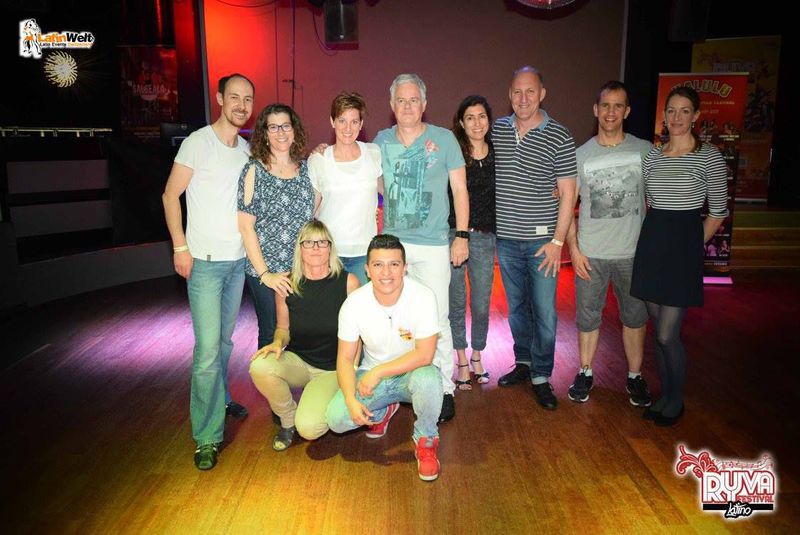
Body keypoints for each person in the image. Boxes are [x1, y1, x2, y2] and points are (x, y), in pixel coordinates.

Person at [161, 73, 254, 470]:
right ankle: (206, 436)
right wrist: (180, 247)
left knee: (225, 343)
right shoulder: (197, 143)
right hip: (204, 264)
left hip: (236, 263)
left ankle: (222, 397)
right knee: (207, 352)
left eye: (247, 99)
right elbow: (170, 195)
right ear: (219, 98)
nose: (241, 105)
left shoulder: (246, 150)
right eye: (234, 97)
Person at [373, 73, 469, 423]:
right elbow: (370, 176)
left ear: (424, 104)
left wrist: (462, 235)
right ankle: (399, 386)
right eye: (401, 100)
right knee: (395, 319)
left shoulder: (444, 139)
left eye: (414, 100)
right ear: (392, 105)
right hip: (393, 246)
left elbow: (460, 190)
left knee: (437, 317)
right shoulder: (381, 141)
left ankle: (443, 388)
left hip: (433, 245)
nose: (407, 106)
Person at [631, 86, 728, 426]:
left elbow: (717, 212)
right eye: (671, 110)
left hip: (682, 250)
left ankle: (676, 400)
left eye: (684, 111)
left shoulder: (709, 157)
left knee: (666, 334)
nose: (676, 117)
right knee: (658, 331)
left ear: (696, 116)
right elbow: (649, 203)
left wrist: (690, 246)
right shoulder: (652, 157)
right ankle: (664, 395)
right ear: (664, 115)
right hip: (652, 244)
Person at [326, 235, 444, 481]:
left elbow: (425, 354)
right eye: (378, 265)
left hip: (410, 374)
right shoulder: (354, 303)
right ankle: (382, 411)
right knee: (337, 419)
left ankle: (426, 439)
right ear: (367, 269)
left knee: (429, 379)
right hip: (371, 380)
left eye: (394, 264)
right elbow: (345, 358)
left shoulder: (423, 296)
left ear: (405, 268)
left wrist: (379, 371)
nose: (386, 272)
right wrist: (350, 399)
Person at [493, 66, 577, 410]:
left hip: (543, 243)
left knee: (544, 312)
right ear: (509, 94)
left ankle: (542, 374)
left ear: (542, 94)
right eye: (517, 91)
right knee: (516, 309)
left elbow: (569, 194)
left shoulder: (559, 135)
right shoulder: (497, 130)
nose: (523, 98)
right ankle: (524, 362)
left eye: (530, 91)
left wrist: (558, 242)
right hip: (506, 240)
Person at [565, 81, 653, 406]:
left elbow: (658, 201)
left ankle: (635, 376)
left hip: (633, 255)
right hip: (591, 255)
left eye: (618, 106)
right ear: (596, 109)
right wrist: (574, 249)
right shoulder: (581, 155)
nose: (611, 112)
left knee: (635, 318)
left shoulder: (644, 151)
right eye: (605, 105)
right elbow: (567, 207)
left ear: (627, 111)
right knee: (587, 318)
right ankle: (585, 372)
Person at [249, 220, 359, 450]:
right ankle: (288, 419)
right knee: (260, 365)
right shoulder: (287, 284)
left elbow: (359, 333)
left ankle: (316, 400)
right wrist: (277, 342)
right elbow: (283, 328)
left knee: (309, 428)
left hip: (332, 369)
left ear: (330, 247)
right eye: (308, 242)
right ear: (300, 248)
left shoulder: (348, 282)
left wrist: (353, 369)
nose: (315, 248)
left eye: (322, 242)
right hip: (299, 362)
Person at [238, 103, 317, 356]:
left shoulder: (307, 169)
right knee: (271, 333)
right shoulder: (254, 170)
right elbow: (246, 227)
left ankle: (301, 381)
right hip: (266, 271)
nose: (281, 132)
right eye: (273, 127)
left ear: (295, 130)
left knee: (301, 332)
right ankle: (270, 381)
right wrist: (266, 275)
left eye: (285, 126)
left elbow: (314, 212)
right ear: (264, 133)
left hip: (301, 268)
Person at [309, 92, 383, 285]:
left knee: (362, 305)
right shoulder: (318, 160)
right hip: (329, 253)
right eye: (342, 120)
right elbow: (310, 210)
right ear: (332, 121)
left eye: (354, 122)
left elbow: (389, 194)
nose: (348, 128)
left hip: (365, 253)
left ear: (361, 123)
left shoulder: (374, 153)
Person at [448, 95, 496, 390]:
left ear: (488, 120)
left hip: (485, 237)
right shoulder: (454, 154)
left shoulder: (498, 152)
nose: (477, 123)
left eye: (482, 116)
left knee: (480, 303)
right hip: (454, 236)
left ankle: (478, 354)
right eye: (470, 117)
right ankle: (462, 359)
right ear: (461, 123)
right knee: (456, 301)